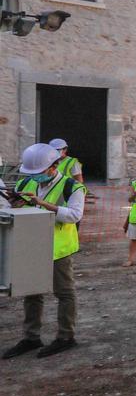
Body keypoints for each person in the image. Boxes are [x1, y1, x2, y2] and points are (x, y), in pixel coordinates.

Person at [2, 143, 85, 359]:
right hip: (32, 244)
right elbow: (20, 210)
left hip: (59, 248)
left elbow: (75, 215)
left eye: (39, 172)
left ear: (53, 166)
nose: (36, 177)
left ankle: (66, 337)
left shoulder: (72, 187)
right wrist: (15, 203)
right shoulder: (25, 181)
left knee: (65, 292)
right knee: (31, 292)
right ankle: (31, 337)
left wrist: (44, 204)